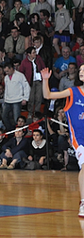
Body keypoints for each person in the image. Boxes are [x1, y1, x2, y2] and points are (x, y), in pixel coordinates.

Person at [41, 65, 84, 215]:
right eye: (81, 70)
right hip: (79, 138)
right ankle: (83, 203)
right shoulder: (73, 91)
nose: (82, 72)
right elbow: (48, 96)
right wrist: (45, 80)